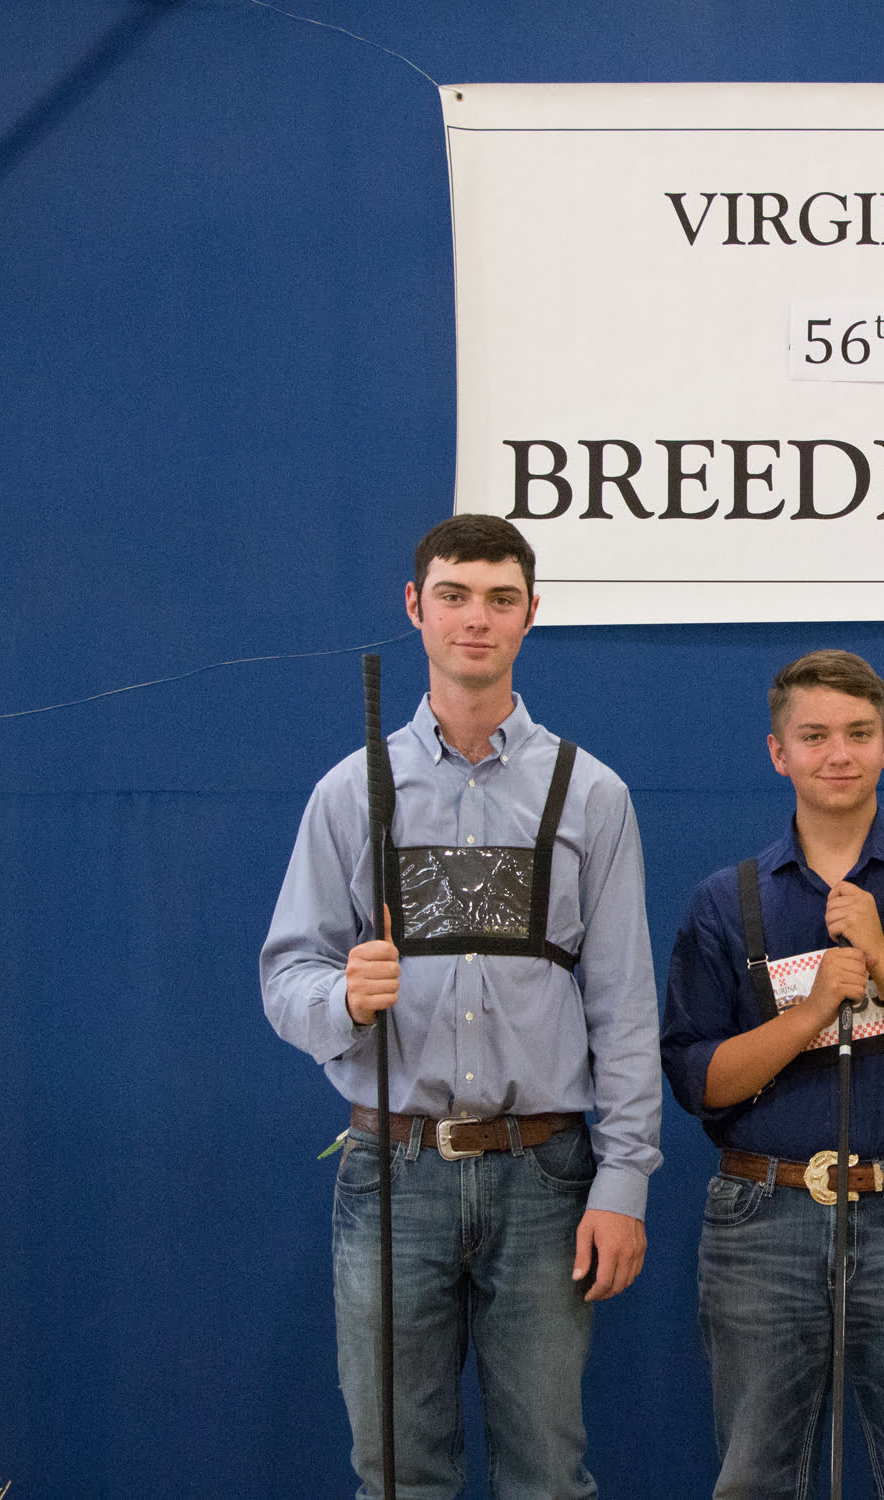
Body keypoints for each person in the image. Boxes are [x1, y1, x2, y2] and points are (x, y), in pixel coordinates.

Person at [261, 514, 662, 1500]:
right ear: (416, 607)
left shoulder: (591, 793)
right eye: (453, 595)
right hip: (393, 1171)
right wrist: (344, 998)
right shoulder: (350, 792)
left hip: (546, 1175)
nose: (475, 618)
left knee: (547, 1474)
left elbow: (624, 1005)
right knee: (399, 1473)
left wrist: (624, 1181)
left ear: (531, 613)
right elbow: (287, 975)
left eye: (499, 598)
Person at [662, 648, 884, 1499]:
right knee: (753, 1477)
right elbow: (698, 1082)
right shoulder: (724, 903)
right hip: (762, 1218)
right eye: (814, 736)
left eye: (859, 734)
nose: (838, 754)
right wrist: (811, 1011)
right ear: (778, 752)